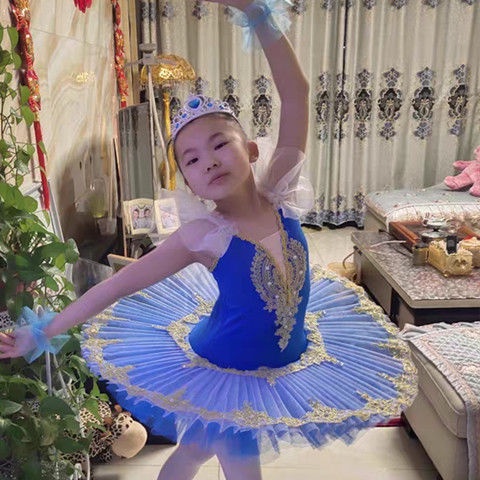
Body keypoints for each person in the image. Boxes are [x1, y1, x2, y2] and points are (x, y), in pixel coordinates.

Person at [0, 1, 417, 479]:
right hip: (226, 369)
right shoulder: (203, 234)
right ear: (189, 184)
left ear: (251, 150)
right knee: (235, 460)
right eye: (192, 160)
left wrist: (257, 14)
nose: (210, 161)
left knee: (194, 450)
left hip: (282, 361)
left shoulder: (281, 194)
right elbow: (117, 285)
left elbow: (297, 94)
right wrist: (43, 331)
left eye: (220, 144)